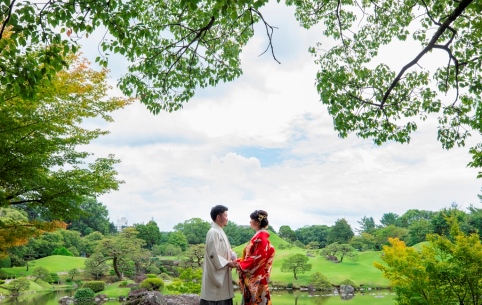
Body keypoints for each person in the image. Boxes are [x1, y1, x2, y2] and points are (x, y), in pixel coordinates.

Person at [200, 205, 237, 305]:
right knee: (217, 297)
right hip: (216, 278)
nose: (227, 218)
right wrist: (228, 263)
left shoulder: (220, 231)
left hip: (223, 274)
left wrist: (232, 255)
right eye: (225, 215)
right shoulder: (213, 232)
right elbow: (213, 254)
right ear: (218, 217)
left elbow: (225, 250)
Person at [236, 210, 275, 305]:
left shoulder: (260, 238)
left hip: (256, 279)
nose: (250, 222)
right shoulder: (259, 237)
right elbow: (251, 256)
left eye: (251, 220)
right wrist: (238, 261)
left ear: (257, 222)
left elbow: (258, 257)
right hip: (257, 277)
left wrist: (241, 264)